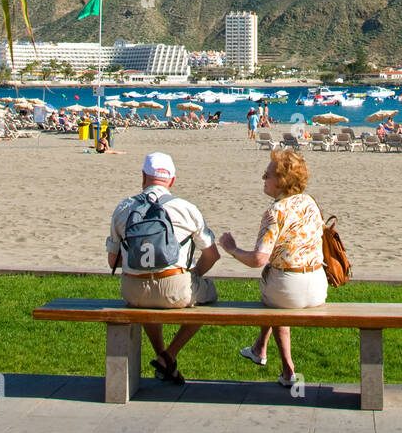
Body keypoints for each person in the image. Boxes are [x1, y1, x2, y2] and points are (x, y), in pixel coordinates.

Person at [106, 151, 220, 384]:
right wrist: (194, 274)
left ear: (143, 176)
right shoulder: (186, 208)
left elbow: (112, 262)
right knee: (209, 293)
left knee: (146, 298)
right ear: (172, 180)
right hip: (174, 287)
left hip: (133, 290)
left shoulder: (123, 208)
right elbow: (212, 255)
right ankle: (169, 354)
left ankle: (163, 359)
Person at [219, 149, 326, 388]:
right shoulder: (310, 202)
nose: (262, 178)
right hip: (318, 285)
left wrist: (232, 249)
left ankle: (287, 366)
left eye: (267, 175)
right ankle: (260, 349)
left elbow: (258, 259)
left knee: (276, 295)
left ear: (281, 181)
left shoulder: (274, 212)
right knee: (277, 290)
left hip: (289, 288)